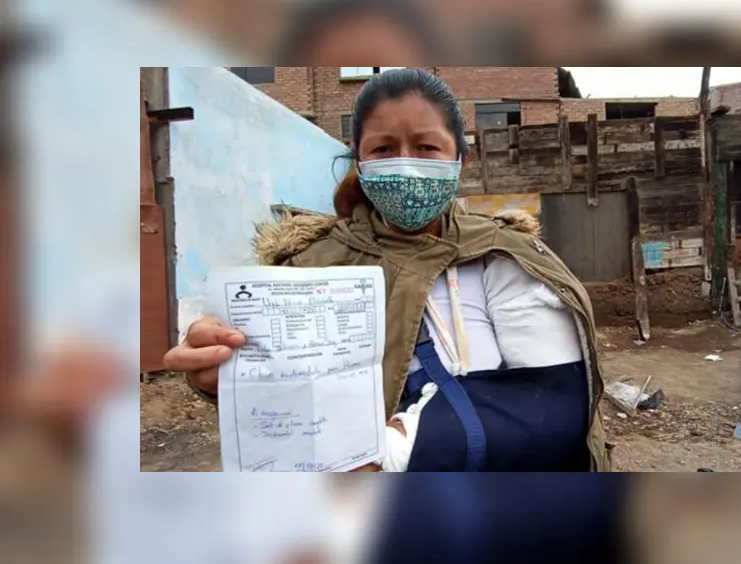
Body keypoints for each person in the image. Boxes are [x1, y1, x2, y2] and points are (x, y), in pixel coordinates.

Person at [164, 68, 612, 472]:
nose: (405, 162)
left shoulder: (504, 257)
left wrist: (390, 450)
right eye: (383, 149)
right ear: (358, 161)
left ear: (460, 159)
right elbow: (283, 405)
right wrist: (224, 375)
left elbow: (550, 412)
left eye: (425, 147)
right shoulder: (306, 271)